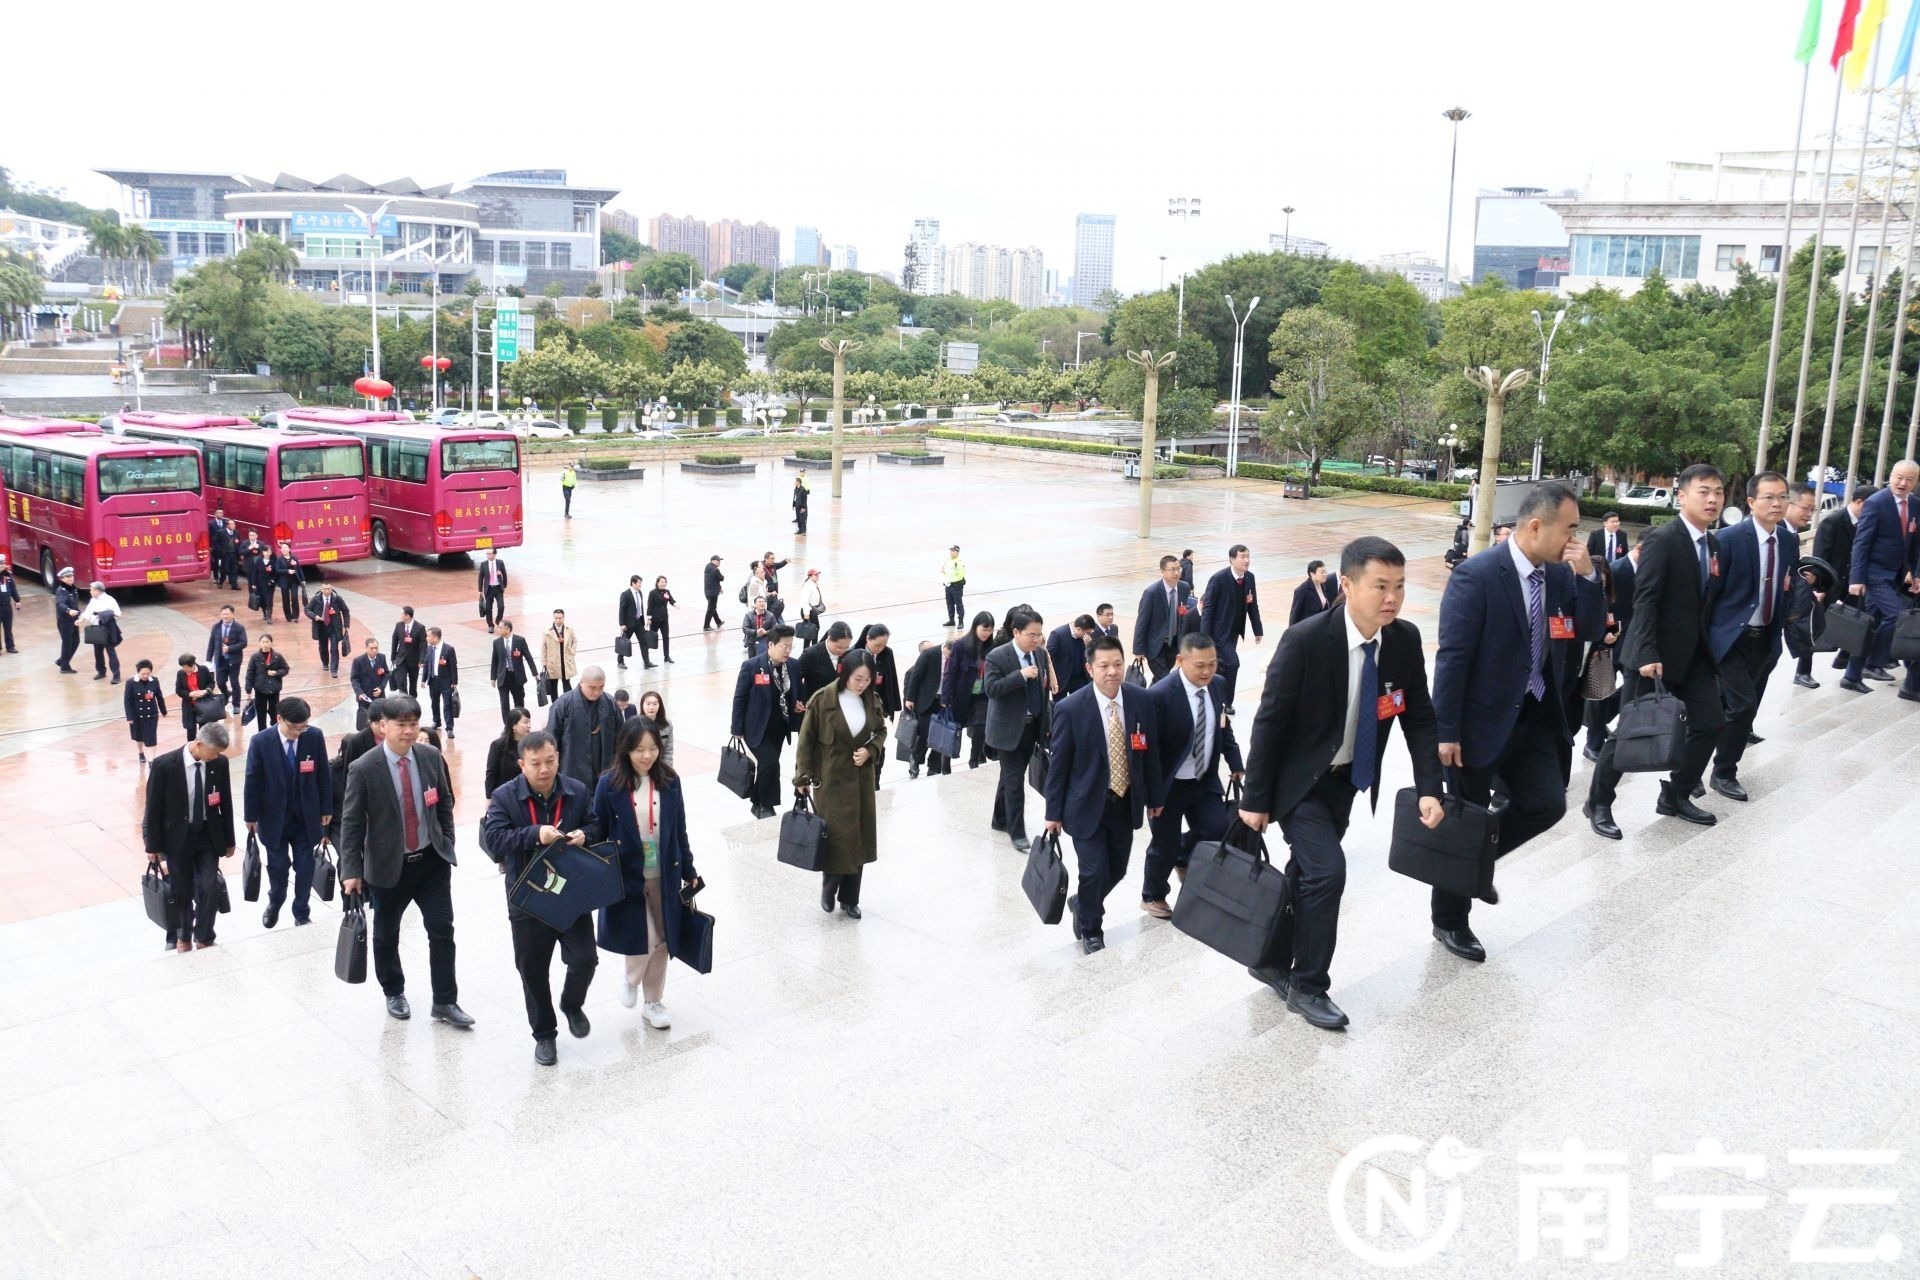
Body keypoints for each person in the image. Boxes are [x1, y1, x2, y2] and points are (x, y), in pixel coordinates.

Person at [1238, 537, 1445, 1029]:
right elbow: (1270, 721)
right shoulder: (1307, 640)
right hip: (1298, 783)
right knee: (1328, 873)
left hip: (1347, 781)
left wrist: (1431, 787)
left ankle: (1268, 956)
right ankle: (1309, 986)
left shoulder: (1403, 640)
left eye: (1398, 586)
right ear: (1347, 585)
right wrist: (1255, 800)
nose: (1391, 597)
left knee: (1307, 874)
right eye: (1380, 586)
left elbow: (1420, 718)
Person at [1431, 483, 1603, 957]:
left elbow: (1589, 629)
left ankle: (1477, 865)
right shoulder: (1478, 575)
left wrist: (1589, 577)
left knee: (1546, 804)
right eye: (1569, 528)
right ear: (1535, 526)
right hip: (1477, 724)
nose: (1575, 537)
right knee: (1464, 822)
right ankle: (1449, 921)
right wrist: (1445, 730)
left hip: (1534, 714)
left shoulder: (1563, 577)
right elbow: (1453, 657)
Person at [1585, 464, 1729, 838]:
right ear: (1681, 496)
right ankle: (1598, 802)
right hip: (1652, 658)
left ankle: (1676, 795)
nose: (1712, 499)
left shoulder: (1713, 544)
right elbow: (1646, 599)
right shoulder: (1664, 540)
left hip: (1694, 655)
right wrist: (1647, 652)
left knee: (1711, 722)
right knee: (1630, 733)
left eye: (1718, 491)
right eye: (1703, 491)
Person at [339, 695, 472, 1029]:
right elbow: (351, 823)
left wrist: (447, 841)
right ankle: (393, 991)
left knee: (442, 930)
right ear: (384, 726)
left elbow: (443, 802)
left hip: (431, 862)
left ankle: (445, 1000)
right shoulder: (364, 767)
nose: (410, 732)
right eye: (402, 725)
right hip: (388, 866)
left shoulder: (429, 757)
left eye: (414, 724)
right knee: (386, 934)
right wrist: (351, 870)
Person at [480, 729, 604, 1064]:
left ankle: (571, 1003)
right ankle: (544, 1035)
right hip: (527, 896)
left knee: (585, 959)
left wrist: (584, 835)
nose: (544, 769)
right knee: (532, 970)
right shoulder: (506, 797)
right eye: (536, 764)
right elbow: (494, 840)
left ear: (558, 758)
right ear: (522, 764)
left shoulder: (576, 791)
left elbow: (596, 826)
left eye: (550, 761)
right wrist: (536, 834)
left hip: (569, 893)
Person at [1041, 634, 1157, 953]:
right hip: (1085, 804)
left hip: (1124, 803)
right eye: (1104, 665)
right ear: (1089, 668)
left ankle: (1082, 902)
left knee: (1116, 869)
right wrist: (1053, 813)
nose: (1112, 672)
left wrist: (1155, 799)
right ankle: (1091, 927)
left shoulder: (1140, 700)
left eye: (1117, 664)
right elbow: (1059, 765)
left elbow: (1151, 754)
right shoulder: (1070, 708)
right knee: (1093, 871)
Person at [592, 719, 700, 1027]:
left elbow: (679, 828)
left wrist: (689, 869)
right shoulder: (609, 784)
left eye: (653, 748)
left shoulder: (669, 780)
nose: (647, 756)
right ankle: (631, 977)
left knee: (663, 939)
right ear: (626, 749)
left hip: (663, 871)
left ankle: (653, 1002)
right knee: (645, 936)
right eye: (639, 749)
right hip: (627, 874)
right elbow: (597, 828)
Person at [1703, 472, 1796, 799]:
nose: (1777, 503)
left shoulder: (1788, 540)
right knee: (1740, 706)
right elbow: (1708, 593)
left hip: (1766, 637)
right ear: (1751, 502)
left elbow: (1788, 584)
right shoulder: (1727, 539)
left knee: (1744, 706)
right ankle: (1722, 772)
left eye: (1782, 497)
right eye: (1769, 497)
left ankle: (1697, 765)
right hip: (1729, 639)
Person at [1140, 633, 1244, 919]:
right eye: (1200, 666)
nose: (1207, 671)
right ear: (1180, 661)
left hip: (1204, 778)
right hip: (1169, 785)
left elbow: (1223, 728)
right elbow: (1150, 750)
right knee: (1164, 843)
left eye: (1212, 664)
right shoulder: (1160, 695)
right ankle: (1153, 894)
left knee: (1217, 828)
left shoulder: (1218, 686)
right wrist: (1152, 793)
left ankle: (1183, 856)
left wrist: (1235, 763)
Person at [795, 648, 886, 918]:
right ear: (845, 673)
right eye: (858, 679)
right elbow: (806, 740)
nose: (862, 685)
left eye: (867, 680)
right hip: (831, 782)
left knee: (858, 840)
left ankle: (850, 899)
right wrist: (802, 776)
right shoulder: (824, 700)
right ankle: (829, 887)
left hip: (861, 782)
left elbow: (880, 731)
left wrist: (871, 750)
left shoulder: (872, 700)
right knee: (836, 839)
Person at [142, 721, 237, 953]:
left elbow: (226, 801)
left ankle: (204, 936)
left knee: (209, 886)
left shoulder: (219, 764)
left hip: (207, 835)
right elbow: (153, 809)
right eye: (213, 752)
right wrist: (152, 846)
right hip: (177, 840)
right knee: (181, 890)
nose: (215, 757)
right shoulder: (165, 765)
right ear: (200, 744)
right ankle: (183, 935)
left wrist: (229, 840)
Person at [243, 695, 332, 930]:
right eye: (294, 727)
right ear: (279, 718)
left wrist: (326, 808)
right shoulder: (261, 742)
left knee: (305, 867)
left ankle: (301, 911)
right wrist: (250, 816)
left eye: (303, 727)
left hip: (305, 816)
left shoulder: (313, 736)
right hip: (274, 817)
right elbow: (253, 780)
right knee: (279, 867)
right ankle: (275, 901)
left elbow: (323, 772)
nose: (298, 732)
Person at [1839, 459, 1920, 697]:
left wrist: (1915, 574)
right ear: (1890, 476)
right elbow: (1861, 543)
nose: (1902, 483)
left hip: (1895, 574)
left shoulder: (1915, 505)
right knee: (1898, 617)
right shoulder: (1876, 502)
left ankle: (1852, 675)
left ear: (1916, 482)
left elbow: (1915, 544)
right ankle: (1891, 668)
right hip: (1874, 574)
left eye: (1909, 479)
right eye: (1898, 477)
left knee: (1870, 625)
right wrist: (1856, 578)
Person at [984, 607, 1053, 855]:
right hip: (1007, 730)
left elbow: (1043, 693)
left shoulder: (1041, 654)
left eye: (1039, 634)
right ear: (1016, 632)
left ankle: (999, 818)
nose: (1036, 639)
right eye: (1031, 635)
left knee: (1010, 776)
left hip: (1031, 728)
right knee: (1014, 782)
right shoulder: (997, 656)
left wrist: (1044, 725)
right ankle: (1017, 832)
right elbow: (991, 689)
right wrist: (1020, 676)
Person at [730, 625, 804, 819]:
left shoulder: (794, 666)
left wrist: (797, 703)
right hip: (756, 727)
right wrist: (736, 728)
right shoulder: (752, 666)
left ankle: (756, 802)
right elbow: (740, 698)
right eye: (784, 646)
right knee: (770, 763)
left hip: (780, 727)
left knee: (767, 765)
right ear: (771, 644)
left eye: (791, 647)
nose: (788, 651)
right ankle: (766, 806)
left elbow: (796, 691)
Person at [1806, 488, 1867, 683]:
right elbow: (1820, 555)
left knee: (1861, 618)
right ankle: (1803, 672)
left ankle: (1845, 656)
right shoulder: (1833, 521)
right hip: (1829, 580)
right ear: (1859, 502)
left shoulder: (1865, 523)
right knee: (1813, 626)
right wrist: (1818, 588)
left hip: (1851, 582)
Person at [1579, 550, 1629, 762]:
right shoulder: (1581, 594)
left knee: (1608, 695)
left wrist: (1611, 635)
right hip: (1587, 657)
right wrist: (1602, 637)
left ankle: (1597, 728)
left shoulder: (1609, 596)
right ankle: (1593, 741)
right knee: (1597, 698)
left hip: (1605, 653)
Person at [1201, 544, 1265, 707]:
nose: (1246, 560)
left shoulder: (1249, 578)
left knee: (1221, 667)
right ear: (1232, 559)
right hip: (1219, 632)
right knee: (1232, 663)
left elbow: (1252, 605)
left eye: (1248, 556)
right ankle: (1226, 703)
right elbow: (1208, 609)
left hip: (1234, 632)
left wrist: (1258, 629)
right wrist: (1205, 638)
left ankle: (1214, 699)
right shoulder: (1218, 579)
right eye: (1242, 556)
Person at [547, 665, 624, 789]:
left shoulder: (611, 704)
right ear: (581, 682)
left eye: (601, 687)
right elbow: (551, 741)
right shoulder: (562, 705)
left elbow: (621, 738)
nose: (597, 692)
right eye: (592, 688)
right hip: (571, 770)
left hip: (605, 769)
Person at [941, 611, 997, 769]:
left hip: (981, 695)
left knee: (980, 726)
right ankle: (946, 762)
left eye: (990, 630)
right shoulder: (961, 645)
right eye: (984, 629)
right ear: (975, 627)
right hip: (961, 695)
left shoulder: (991, 647)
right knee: (953, 729)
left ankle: (974, 759)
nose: (987, 633)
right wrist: (945, 698)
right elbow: (951, 672)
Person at [1132, 555, 1201, 682]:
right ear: (1162, 572)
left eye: (1178, 569)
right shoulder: (1151, 592)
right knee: (1165, 679)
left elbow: (1183, 615)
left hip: (1173, 644)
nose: (1176, 573)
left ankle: (1151, 698)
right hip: (1155, 645)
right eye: (1172, 570)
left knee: (1160, 680)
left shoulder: (1184, 587)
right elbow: (1142, 621)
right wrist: (1138, 649)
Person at [858, 624, 901, 784]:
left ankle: (876, 779)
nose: (880, 649)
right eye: (877, 645)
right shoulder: (857, 654)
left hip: (878, 708)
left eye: (883, 645)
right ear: (868, 639)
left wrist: (893, 706)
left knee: (879, 745)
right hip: (860, 708)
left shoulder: (887, 653)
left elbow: (892, 678)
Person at [78, 580, 124, 683]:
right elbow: (88, 612)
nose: (90, 592)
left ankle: (116, 676)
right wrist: (81, 620)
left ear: (97, 591)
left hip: (107, 629)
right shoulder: (93, 600)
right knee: (97, 652)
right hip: (97, 629)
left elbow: (118, 613)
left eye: (91, 590)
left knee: (111, 652)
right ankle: (101, 671)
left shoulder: (109, 600)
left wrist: (103, 614)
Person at [205, 604, 248, 714]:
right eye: (223, 614)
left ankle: (236, 705)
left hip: (234, 660)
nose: (225, 616)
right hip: (220, 659)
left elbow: (244, 643)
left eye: (227, 614)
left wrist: (230, 648)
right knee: (220, 682)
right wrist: (208, 659)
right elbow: (211, 643)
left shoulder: (239, 627)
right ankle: (226, 693)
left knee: (234, 683)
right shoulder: (216, 627)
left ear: (232, 614)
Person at [798, 620, 853, 705]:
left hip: (838, 704)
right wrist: (798, 699)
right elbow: (796, 677)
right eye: (839, 647)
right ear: (829, 638)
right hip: (815, 703)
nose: (842, 651)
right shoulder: (811, 654)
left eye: (846, 647)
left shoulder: (849, 654)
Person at [123, 658, 167, 764]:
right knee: (139, 736)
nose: (145, 676)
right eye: (143, 673)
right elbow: (127, 701)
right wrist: (129, 717)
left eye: (148, 673)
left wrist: (163, 710)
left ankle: (151, 760)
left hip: (151, 714)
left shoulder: (154, 681)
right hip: (137, 715)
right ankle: (140, 752)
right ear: (138, 672)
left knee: (151, 736)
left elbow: (159, 696)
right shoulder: (130, 683)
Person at [491, 619, 535, 721]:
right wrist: (493, 678)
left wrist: (535, 673)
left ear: (508, 629)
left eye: (501, 628)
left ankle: (519, 722)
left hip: (516, 677)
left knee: (519, 702)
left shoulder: (519, 640)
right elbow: (494, 661)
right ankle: (507, 726)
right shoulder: (497, 642)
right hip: (503, 676)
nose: (498, 629)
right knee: (504, 703)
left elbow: (529, 657)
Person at [244, 633, 290, 731]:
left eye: (267, 642)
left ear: (271, 643)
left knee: (274, 712)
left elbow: (285, 669)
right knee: (261, 713)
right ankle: (262, 731)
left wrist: (276, 673)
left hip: (274, 689)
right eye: (263, 642)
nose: (265, 644)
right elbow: (250, 673)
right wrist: (248, 690)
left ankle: (274, 729)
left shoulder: (277, 656)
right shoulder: (255, 657)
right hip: (260, 689)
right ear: (260, 644)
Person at [485, 707, 534, 799]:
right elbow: (491, 773)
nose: (529, 725)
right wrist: (489, 797)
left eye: (529, 721)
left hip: (527, 795)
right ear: (513, 725)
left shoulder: (532, 744)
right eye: (525, 722)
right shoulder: (498, 745)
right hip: (506, 795)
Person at [1046, 615, 1095, 698]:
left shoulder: (1087, 638)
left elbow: (1093, 656)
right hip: (1062, 679)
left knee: (1081, 703)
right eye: (1087, 633)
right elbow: (1047, 657)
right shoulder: (1058, 634)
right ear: (1079, 629)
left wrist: (1089, 646)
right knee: (1060, 706)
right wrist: (1051, 679)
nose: (1089, 635)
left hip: (1080, 679)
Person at [306, 583, 348, 678]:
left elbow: (345, 610)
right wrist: (314, 616)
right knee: (323, 648)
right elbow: (307, 609)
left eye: (328, 588)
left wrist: (346, 625)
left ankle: (334, 670)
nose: (327, 591)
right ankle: (325, 662)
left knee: (334, 649)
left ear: (331, 589)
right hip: (321, 627)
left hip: (334, 628)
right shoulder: (316, 599)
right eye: (325, 589)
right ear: (321, 589)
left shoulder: (337, 599)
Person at [348, 636, 390, 731]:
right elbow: (354, 679)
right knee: (365, 725)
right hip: (365, 696)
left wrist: (381, 688)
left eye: (376, 648)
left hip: (379, 696)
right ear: (366, 648)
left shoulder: (381, 658)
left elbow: (386, 674)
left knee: (381, 720)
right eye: (372, 648)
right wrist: (360, 693)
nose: (374, 650)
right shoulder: (358, 661)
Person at [175, 654, 220, 742]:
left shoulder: (203, 670)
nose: (185, 670)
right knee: (190, 729)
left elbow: (211, 683)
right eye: (183, 667)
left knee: (204, 729)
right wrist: (190, 694)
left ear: (193, 665)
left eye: (186, 667)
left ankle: (204, 747)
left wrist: (206, 691)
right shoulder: (180, 673)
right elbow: (179, 690)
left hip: (203, 704)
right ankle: (191, 747)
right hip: (189, 705)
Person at [542, 608, 578, 700]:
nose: (558, 620)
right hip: (553, 663)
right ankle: (555, 705)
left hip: (565, 661)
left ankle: (568, 703)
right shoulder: (547, 630)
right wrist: (544, 662)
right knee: (553, 685)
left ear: (563, 618)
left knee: (567, 684)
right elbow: (544, 647)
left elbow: (575, 641)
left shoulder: (569, 629)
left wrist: (572, 652)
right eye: (556, 618)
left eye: (560, 618)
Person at [390, 606, 425, 697]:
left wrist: (422, 660)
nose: (400, 616)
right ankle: (404, 702)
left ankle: (412, 703)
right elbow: (395, 641)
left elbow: (423, 645)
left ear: (407, 616)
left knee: (413, 684)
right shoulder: (399, 625)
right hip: (401, 659)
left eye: (402, 614)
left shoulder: (420, 627)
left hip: (414, 660)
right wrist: (393, 657)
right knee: (401, 682)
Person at [1289, 560, 1336, 625]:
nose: (1325, 574)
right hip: (1307, 628)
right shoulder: (1302, 590)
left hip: (1319, 626)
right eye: (1322, 572)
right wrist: (1292, 632)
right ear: (1312, 574)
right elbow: (1295, 613)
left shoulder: (1322, 585)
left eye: (1325, 572)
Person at [53, 566, 82, 673]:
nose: (71, 578)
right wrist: (68, 610)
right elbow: (60, 603)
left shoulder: (72, 588)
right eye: (68, 576)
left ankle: (62, 661)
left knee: (76, 641)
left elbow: (75, 603)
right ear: (62, 579)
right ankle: (64, 667)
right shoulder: (61, 590)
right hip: (65, 621)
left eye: (71, 576)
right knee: (67, 643)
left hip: (74, 620)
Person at [645, 576, 677, 668]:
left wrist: (675, 604)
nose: (664, 584)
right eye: (662, 582)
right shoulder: (652, 593)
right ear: (657, 583)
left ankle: (666, 656)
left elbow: (671, 600)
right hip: (654, 620)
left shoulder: (667, 592)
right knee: (651, 639)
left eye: (665, 582)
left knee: (666, 637)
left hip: (664, 619)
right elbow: (649, 606)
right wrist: (649, 618)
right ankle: (646, 658)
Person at [637, 690, 675, 767]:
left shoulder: (667, 725)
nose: (651, 707)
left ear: (659, 705)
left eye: (655, 704)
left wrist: (667, 769)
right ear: (642, 705)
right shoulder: (635, 724)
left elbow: (668, 751)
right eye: (648, 704)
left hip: (660, 766)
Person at [617, 575, 647, 670]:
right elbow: (622, 610)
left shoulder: (640, 593)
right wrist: (622, 624)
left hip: (639, 622)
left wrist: (643, 620)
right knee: (624, 643)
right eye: (639, 583)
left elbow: (641, 607)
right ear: (633, 583)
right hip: (628, 624)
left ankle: (646, 661)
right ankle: (620, 661)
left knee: (644, 642)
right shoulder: (625, 594)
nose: (640, 585)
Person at [273, 542, 305, 624]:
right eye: (282, 548)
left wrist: (303, 580)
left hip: (294, 580)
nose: (284, 549)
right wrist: (287, 571)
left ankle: (296, 616)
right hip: (284, 581)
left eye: (285, 547)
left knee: (294, 597)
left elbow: (299, 569)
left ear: (289, 549)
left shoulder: (294, 558)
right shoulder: (279, 559)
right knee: (285, 599)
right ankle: (288, 616)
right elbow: (277, 570)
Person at [477, 548, 508, 632]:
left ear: (494, 554)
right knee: (488, 608)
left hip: (498, 588)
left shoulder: (500, 563)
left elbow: (504, 574)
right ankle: (490, 625)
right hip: (489, 588)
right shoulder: (483, 564)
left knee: (501, 606)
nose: (488, 555)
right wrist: (480, 590)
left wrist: (504, 585)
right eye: (487, 554)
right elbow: (480, 577)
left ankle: (498, 621)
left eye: (490, 554)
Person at [245, 538, 275, 624]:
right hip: (260, 583)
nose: (266, 553)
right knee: (262, 600)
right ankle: (264, 613)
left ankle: (269, 616)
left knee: (269, 600)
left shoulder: (273, 562)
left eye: (268, 551)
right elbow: (254, 573)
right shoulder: (258, 561)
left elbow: (275, 574)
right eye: (265, 551)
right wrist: (253, 583)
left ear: (271, 552)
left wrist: (272, 581)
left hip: (269, 585)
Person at [941, 545, 968, 626]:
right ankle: (951, 620)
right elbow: (944, 571)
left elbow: (961, 575)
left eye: (953, 551)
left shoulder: (959, 562)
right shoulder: (947, 561)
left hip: (956, 586)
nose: (951, 552)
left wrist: (952, 580)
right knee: (949, 604)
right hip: (948, 586)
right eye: (951, 551)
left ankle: (961, 621)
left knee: (958, 604)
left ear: (957, 552)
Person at [796, 569, 826, 640]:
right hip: (808, 611)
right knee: (810, 631)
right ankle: (810, 649)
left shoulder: (813, 584)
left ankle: (811, 647)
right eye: (815, 575)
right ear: (810, 576)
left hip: (812, 610)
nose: (817, 576)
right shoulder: (808, 585)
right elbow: (805, 600)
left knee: (812, 631)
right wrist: (806, 614)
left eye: (818, 575)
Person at [208, 508, 234, 588]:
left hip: (224, 547)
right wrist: (210, 546)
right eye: (219, 513)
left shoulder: (225, 522)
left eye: (222, 513)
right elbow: (209, 535)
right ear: (215, 514)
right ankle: (216, 577)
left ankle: (228, 578)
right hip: (215, 546)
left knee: (225, 563)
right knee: (215, 562)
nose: (221, 514)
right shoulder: (211, 523)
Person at [702, 555, 725, 631]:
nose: (719, 562)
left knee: (712, 608)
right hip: (713, 593)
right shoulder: (715, 570)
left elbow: (713, 579)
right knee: (711, 609)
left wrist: (719, 587)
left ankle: (718, 622)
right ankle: (706, 626)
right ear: (713, 561)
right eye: (718, 561)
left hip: (707, 592)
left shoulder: (708, 567)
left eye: (720, 561)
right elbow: (722, 578)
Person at [0, 556, 18, 653]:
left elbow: (13, 589)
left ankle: (10, 646)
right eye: (0, 564)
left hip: (7, 606)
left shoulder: (8, 575)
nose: (2, 565)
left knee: (8, 628)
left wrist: (17, 600)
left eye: (3, 563)